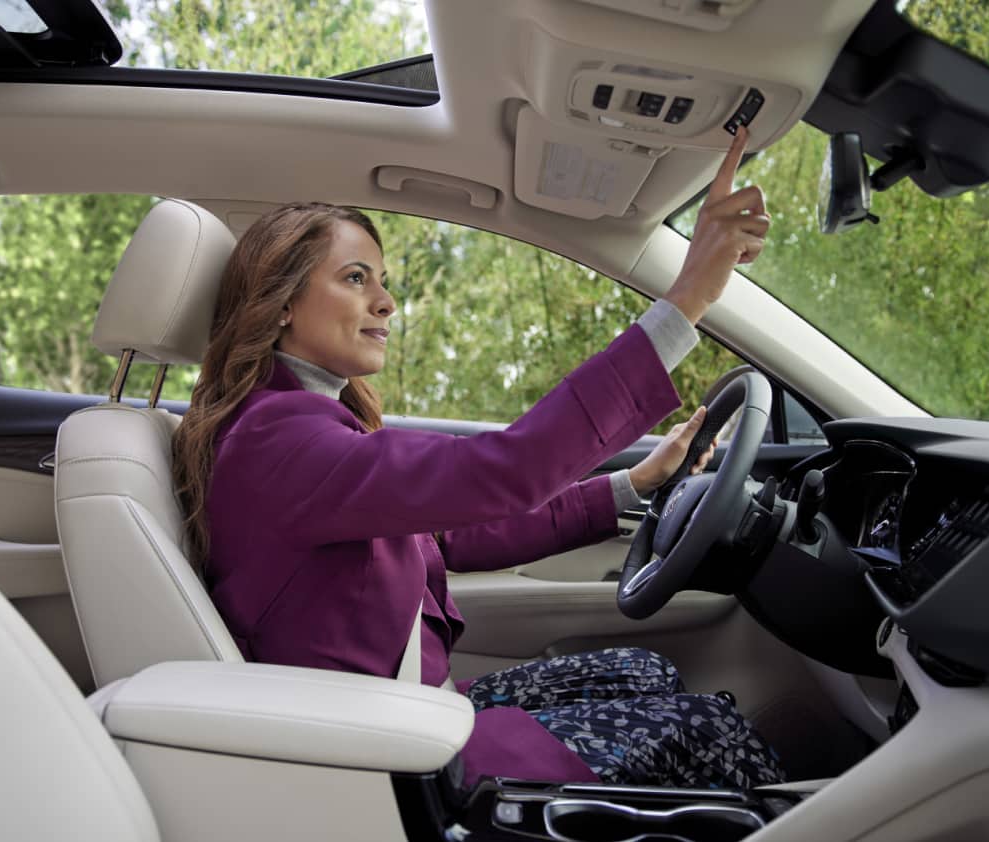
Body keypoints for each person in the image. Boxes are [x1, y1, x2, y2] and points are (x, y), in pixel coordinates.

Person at [173, 130, 784, 789]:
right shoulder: (279, 437)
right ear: (283, 302)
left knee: (644, 673)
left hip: (410, 707)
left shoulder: (297, 425)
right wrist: (689, 297)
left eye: (383, 281)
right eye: (355, 279)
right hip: (393, 755)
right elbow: (504, 471)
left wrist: (634, 484)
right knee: (706, 733)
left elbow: (453, 532)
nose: (386, 302)